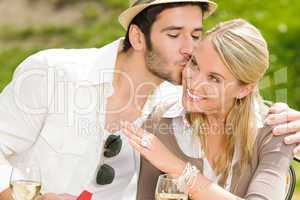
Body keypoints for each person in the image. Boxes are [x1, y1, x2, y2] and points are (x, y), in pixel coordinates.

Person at [0, 0, 300, 200]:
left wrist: (292, 123)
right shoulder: (53, 73)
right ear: (138, 37)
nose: (188, 49)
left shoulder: (177, 101)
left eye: (196, 35)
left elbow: (237, 99)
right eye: (174, 34)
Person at [122, 19, 296, 200]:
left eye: (214, 78)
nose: (193, 82)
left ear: (244, 89)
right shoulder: (161, 122)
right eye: (194, 63)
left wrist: (178, 169)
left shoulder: (275, 129)